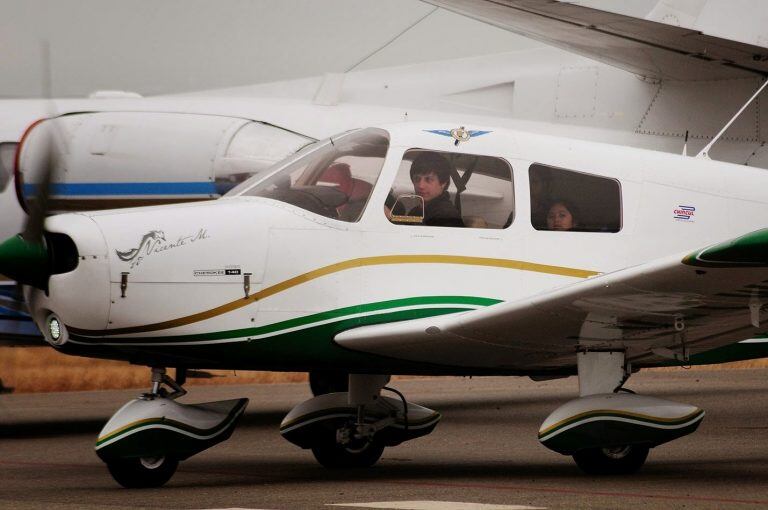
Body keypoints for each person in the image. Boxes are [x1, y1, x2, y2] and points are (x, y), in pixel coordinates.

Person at [406, 152, 463, 227]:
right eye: (417, 179)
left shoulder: (447, 216)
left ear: (443, 183)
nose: (421, 185)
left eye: (428, 180)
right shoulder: (416, 212)